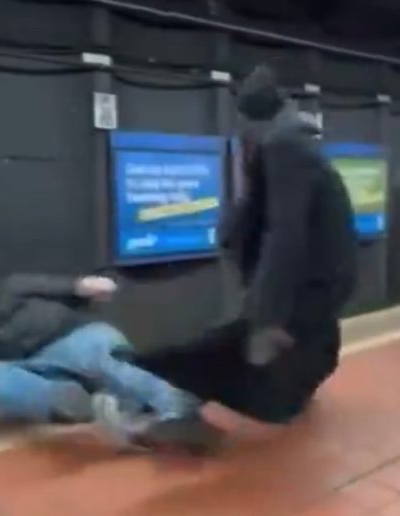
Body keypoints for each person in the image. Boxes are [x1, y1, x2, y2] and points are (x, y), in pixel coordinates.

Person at [98, 64, 357, 447]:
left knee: (218, 356)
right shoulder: (299, 142)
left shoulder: (283, 145)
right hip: (317, 295)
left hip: (304, 293)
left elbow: (285, 233)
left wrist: (266, 318)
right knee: (255, 362)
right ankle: (173, 402)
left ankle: (161, 401)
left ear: (250, 118)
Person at [0, 271, 201, 443]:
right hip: (40, 369)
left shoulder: (11, 287)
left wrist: (83, 286)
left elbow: (53, 285)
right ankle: (75, 405)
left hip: (75, 337)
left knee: (95, 357)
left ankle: (174, 405)